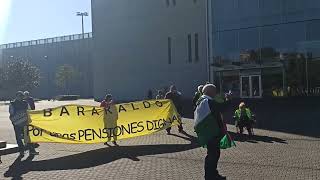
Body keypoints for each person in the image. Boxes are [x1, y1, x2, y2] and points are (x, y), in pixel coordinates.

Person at [194, 84, 230, 180]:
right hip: (211, 133)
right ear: (210, 92)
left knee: (214, 153)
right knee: (213, 155)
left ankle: (213, 173)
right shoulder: (208, 101)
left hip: (208, 132)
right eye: (214, 91)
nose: (215, 93)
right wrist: (228, 99)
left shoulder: (202, 100)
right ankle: (210, 176)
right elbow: (222, 108)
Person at [9, 91, 39, 157]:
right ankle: (22, 151)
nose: (20, 97)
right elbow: (11, 113)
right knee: (19, 138)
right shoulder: (12, 104)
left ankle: (31, 150)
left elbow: (29, 111)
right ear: (16, 96)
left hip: (24, 123)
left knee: (28, 137)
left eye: (21, 96)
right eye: (19, 96)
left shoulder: (25, 103)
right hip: (17, 124)